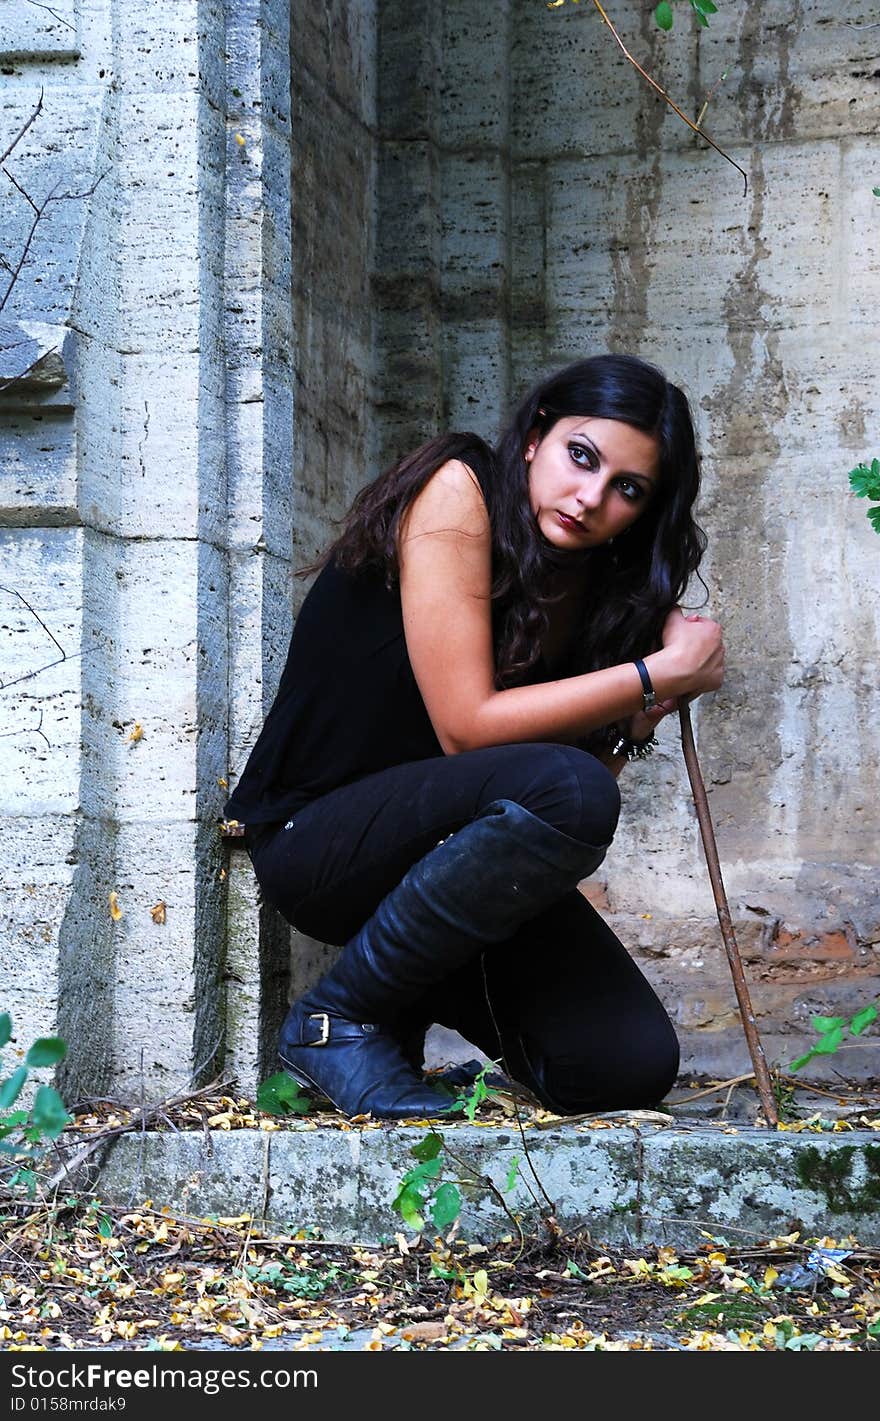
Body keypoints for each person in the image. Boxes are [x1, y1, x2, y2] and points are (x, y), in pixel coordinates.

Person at [224, 353, 724, 1121]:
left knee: (624, 1061)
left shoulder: (585, 581)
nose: (591, 498)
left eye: (627, 489)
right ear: (534, 436)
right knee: (571, 787)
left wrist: (634, 724)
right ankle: (333, 1023)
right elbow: (469, 727)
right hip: (320, 842)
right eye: (580, 456)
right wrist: (657, 673)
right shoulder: (459, 491)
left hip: (440, 865)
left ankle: (393, 1012)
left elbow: (550, 817)